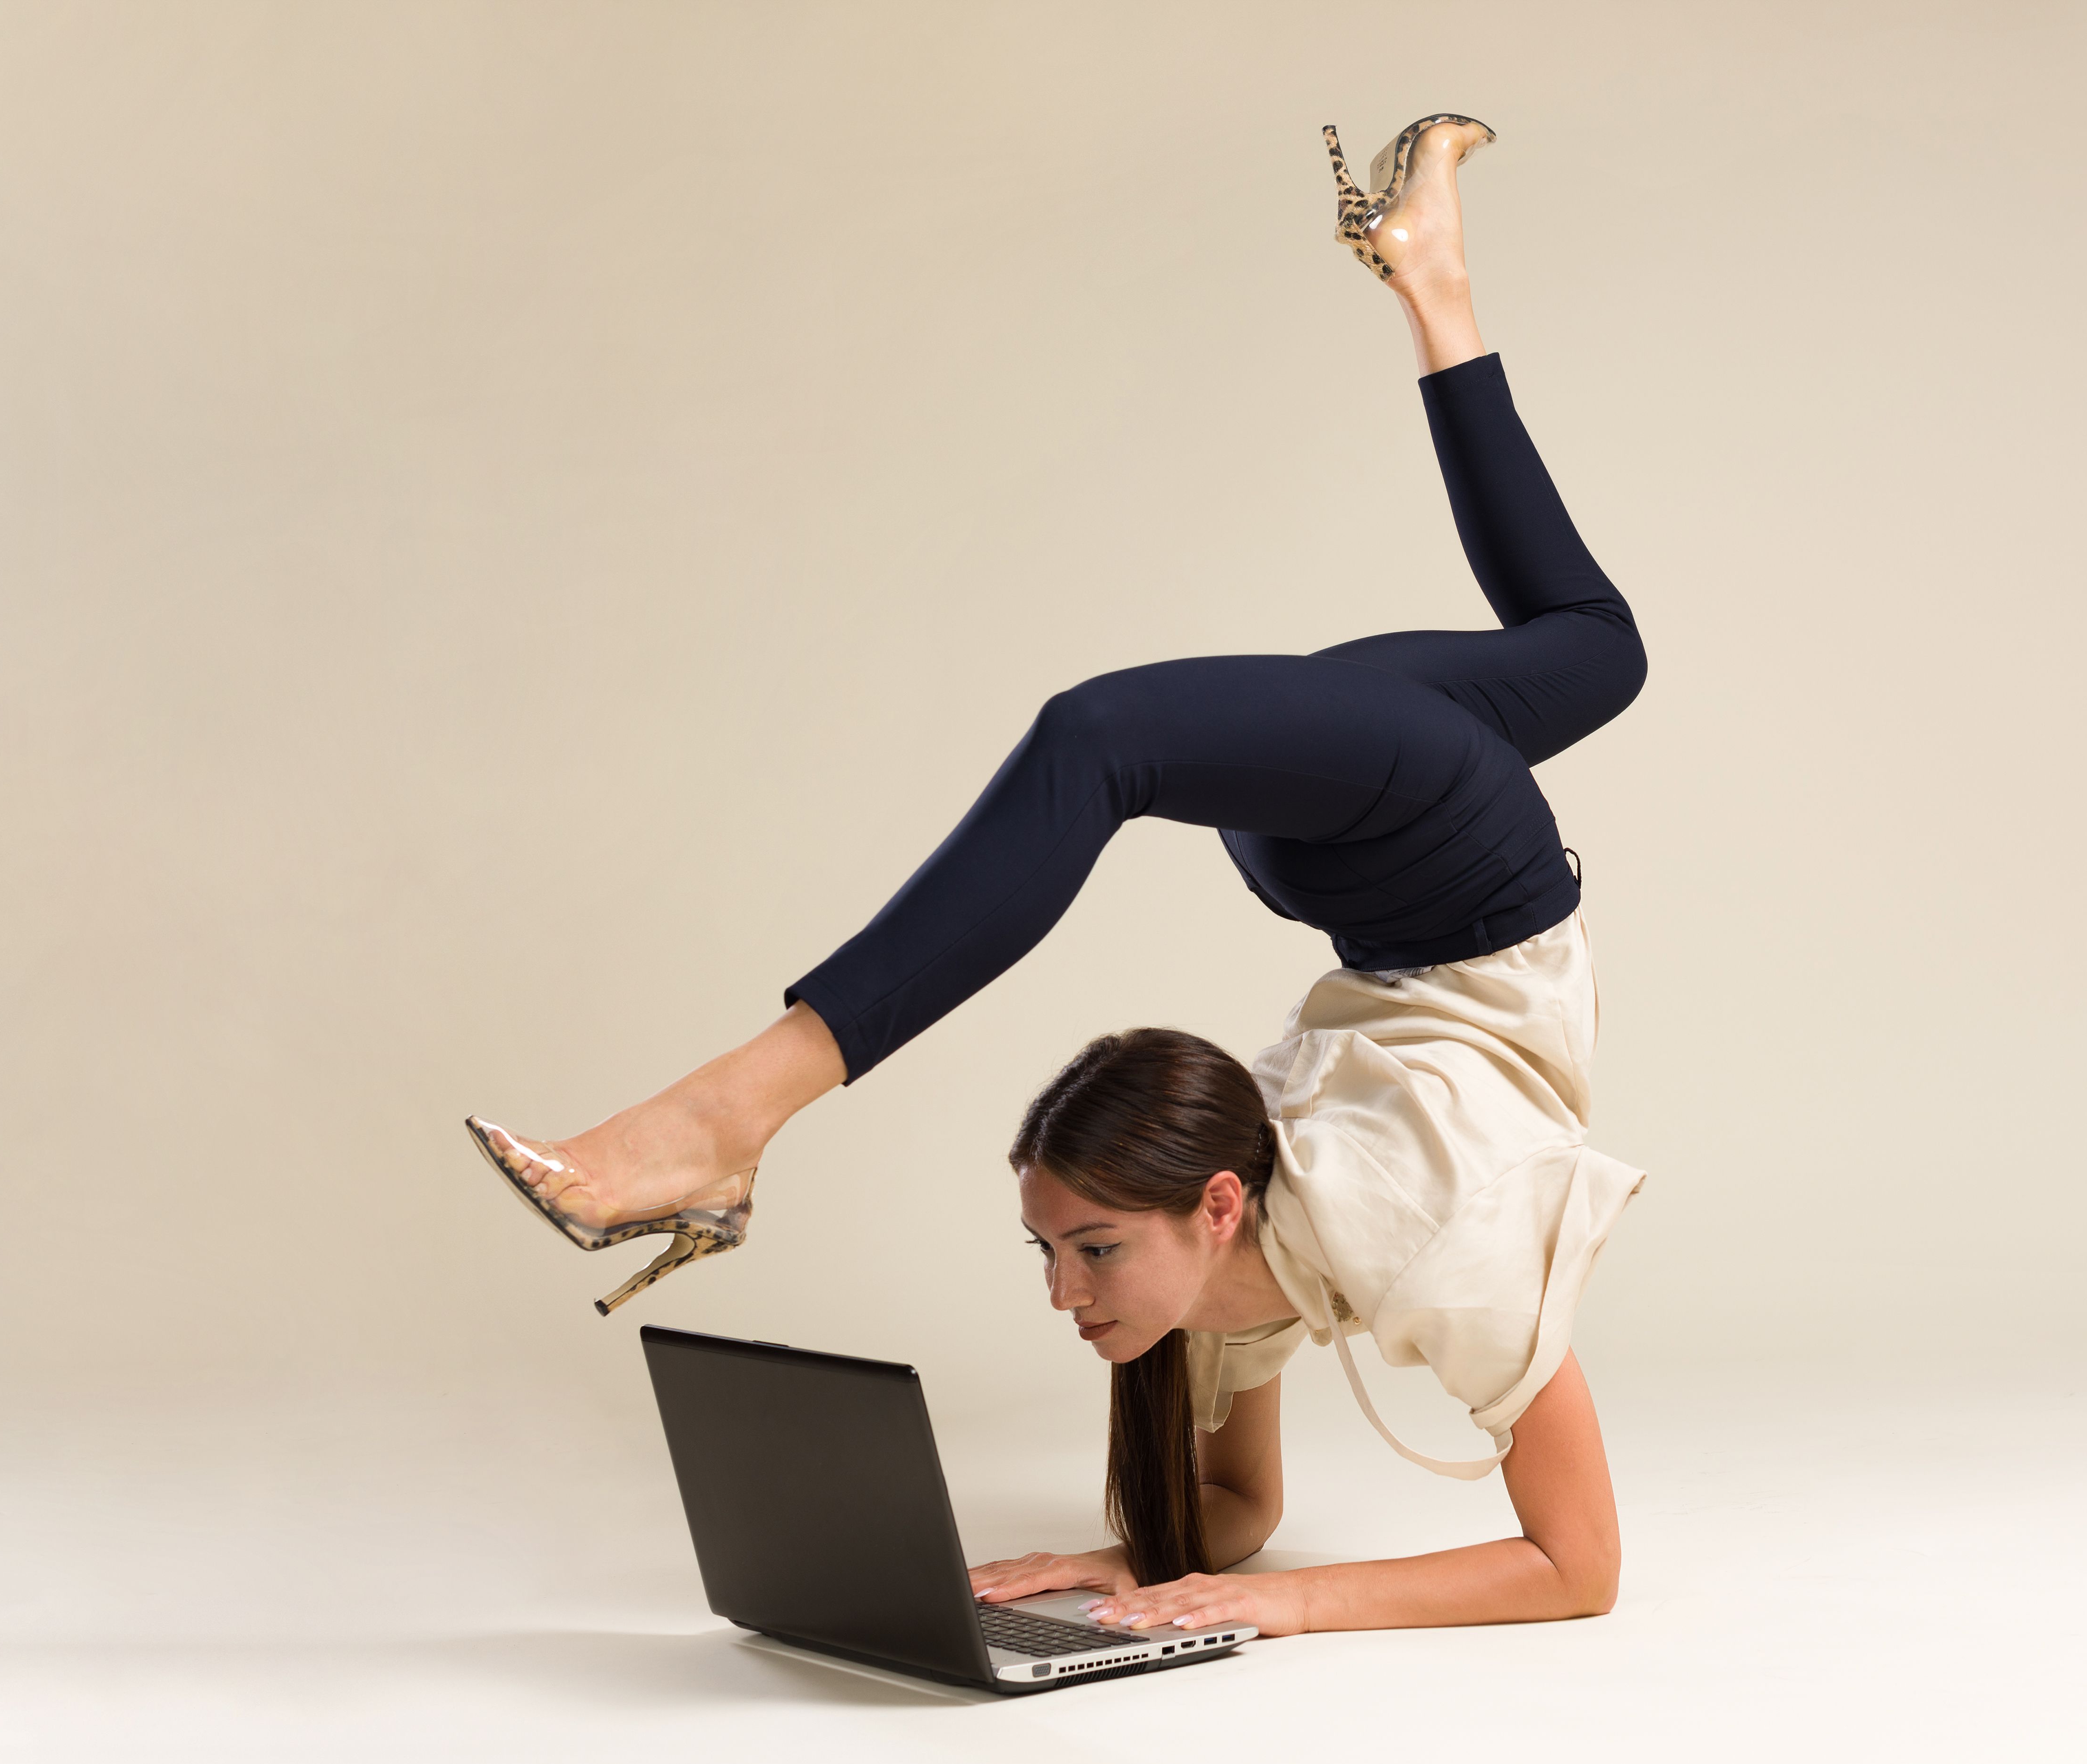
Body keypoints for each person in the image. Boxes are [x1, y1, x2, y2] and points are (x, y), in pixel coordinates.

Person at [468, 114, 1648, 1637]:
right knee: (1132, 738)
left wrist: (1205, 1587)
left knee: (1529, 666)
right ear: (1222, 1208)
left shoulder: (1214, 1287)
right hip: (1451, 872)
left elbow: (1507, 1559)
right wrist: (1191, 1573)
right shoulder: (1427, 1230)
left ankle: (730, 1116)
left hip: (1381, 855)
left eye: (1084, 1249)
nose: (1068, 1291)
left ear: (1209, 1211)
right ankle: (722, 1123)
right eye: (1065, 1250)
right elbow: (1561, 1563)